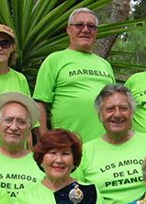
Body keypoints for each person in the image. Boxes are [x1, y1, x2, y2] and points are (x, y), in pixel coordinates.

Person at [74, 84, 146, 204]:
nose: (117, 114)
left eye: (123, 108)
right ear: (100, 115)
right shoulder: (85, 151)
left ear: (132, 112)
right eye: (110, 109)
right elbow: (77, 197)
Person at [33, 7, 115, 142]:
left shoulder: (105, 65)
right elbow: (40, 103)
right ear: (68, 30)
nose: (85, 30)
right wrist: (44, 139)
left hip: (103, 145)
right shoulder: (54, 60)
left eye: (91, 26)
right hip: (67, 147)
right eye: (79, 25)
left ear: (96, 32)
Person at [0, 92, 45, 204]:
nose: (13, 127)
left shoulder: (41, 162)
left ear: (29, 129)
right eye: (8, 120)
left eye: (21, 122)